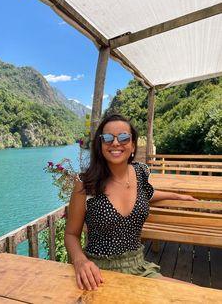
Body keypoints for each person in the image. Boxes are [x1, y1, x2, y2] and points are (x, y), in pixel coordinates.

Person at [65, 114, 197, 291]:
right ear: (100, 144)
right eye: (108, 138)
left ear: (133, 145)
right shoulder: (86, 184)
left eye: (124, 137)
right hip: (97, 273)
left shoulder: (140, 172)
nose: (116, 143)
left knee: (194, 294)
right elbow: (71, 234)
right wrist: (80, 262)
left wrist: (176, 196)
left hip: (139, 267)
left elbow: (145, 193)